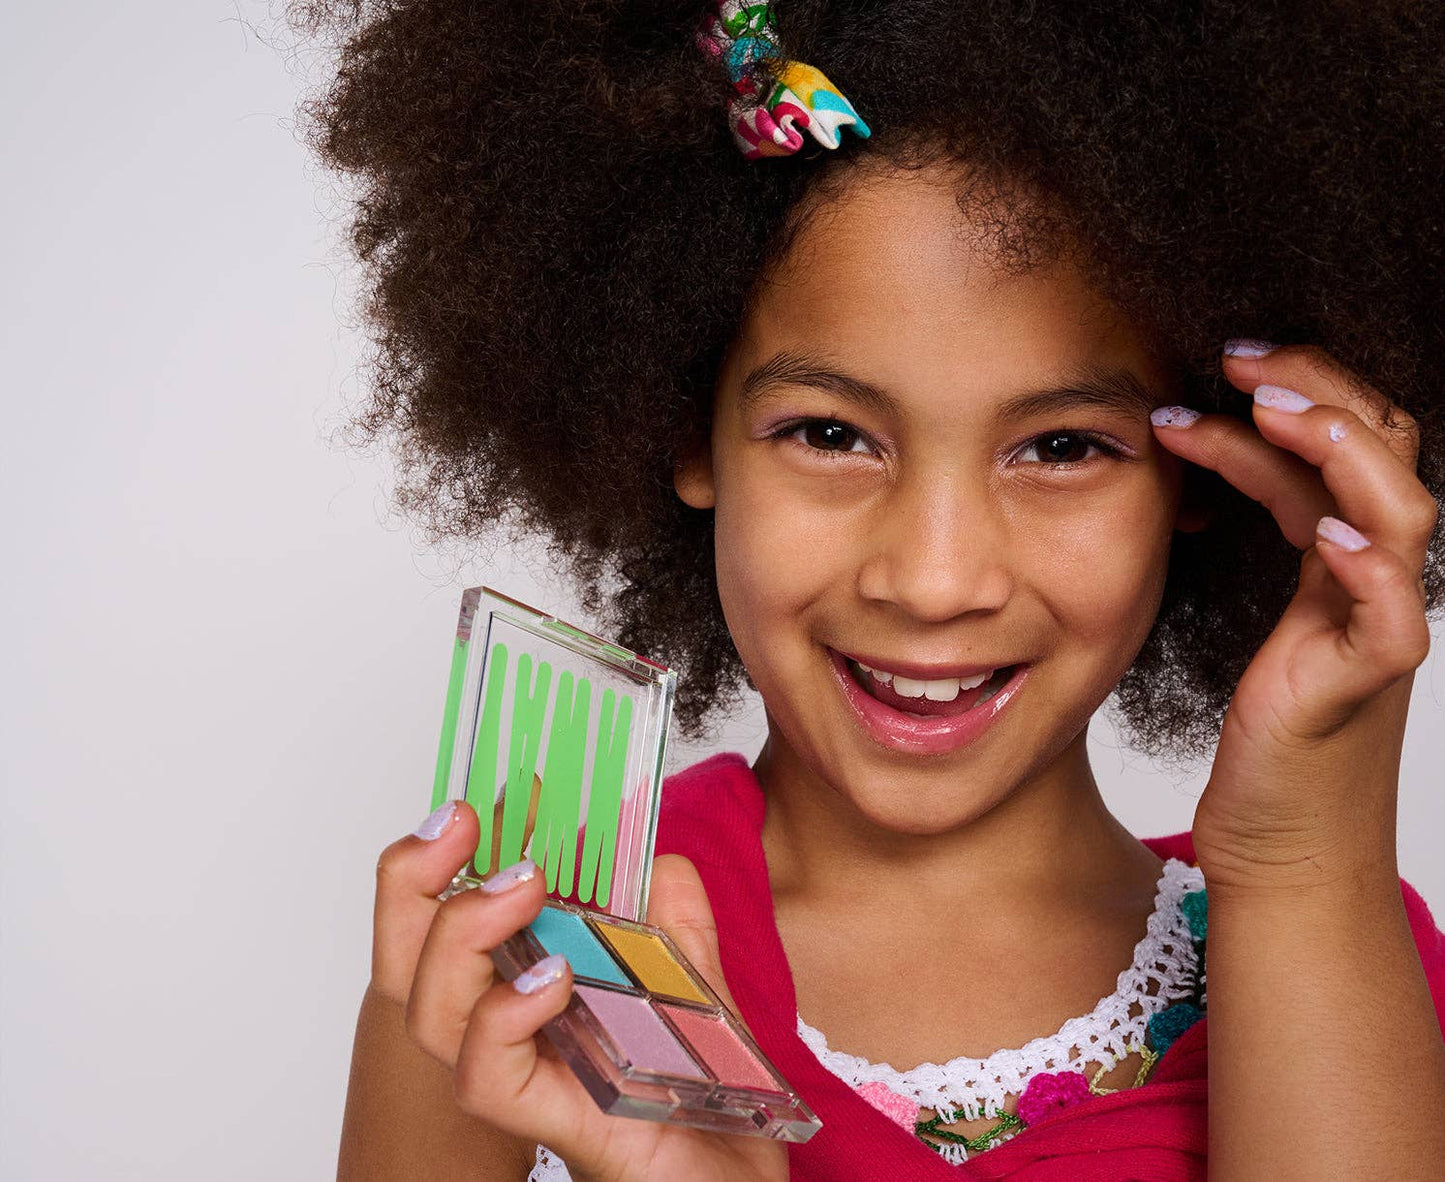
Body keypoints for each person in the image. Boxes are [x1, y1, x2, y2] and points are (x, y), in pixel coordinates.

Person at [295, 1, 1445, 1177]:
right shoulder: (532, 947)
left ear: (1210, 466)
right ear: (685, 429)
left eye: (1059, 448)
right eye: (832, 434)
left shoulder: (1334, 943)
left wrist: (1303, 857)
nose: (933, 579)